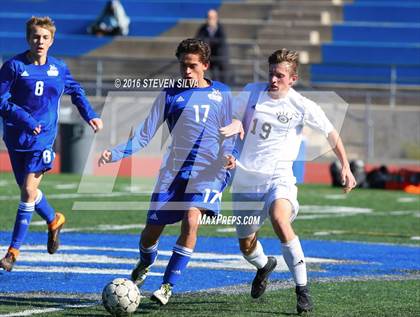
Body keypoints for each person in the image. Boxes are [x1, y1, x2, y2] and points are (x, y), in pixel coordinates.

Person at [98, 38, 235, 305]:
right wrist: (115, 153)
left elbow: (230, 132)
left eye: (192, 66)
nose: (186, 71)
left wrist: (230, 155)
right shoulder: (170, 94)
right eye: (183, 65)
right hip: (174, 172)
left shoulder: (223, 93)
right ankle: (145, 262)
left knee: (192, 219)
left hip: (209, 172)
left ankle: (167, 286)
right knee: (151, 232)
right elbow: (144, 135)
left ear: (205, 65)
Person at [220, 48, 357, 314]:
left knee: (280, 218)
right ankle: (264, 265)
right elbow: (233, 118)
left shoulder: (302, 106)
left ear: (292, 79)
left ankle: (302, 290)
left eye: (280, 76)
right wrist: (233, 135)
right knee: (246, 247)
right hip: (247, 179)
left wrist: (346, 166)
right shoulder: (251, 92)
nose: (274, 79)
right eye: (271, 73)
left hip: (278, 176)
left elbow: (331, 133)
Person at [0, 16, 103, 271]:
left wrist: (90, 115)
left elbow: (76, 91)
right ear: (28, 38)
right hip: (16, 137)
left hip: (43, 139)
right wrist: (23, 119)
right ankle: (54, 219)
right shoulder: (13, 67)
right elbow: (0, 100)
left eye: (45, 37)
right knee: (30, 193)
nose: (40, 41)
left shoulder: (58, 68)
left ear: (52, 40)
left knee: (27, 191)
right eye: (36, 36)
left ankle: (13, 252)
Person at [196, 9, 229, 83]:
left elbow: (221, 41)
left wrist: (210, 42)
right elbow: (198, 39)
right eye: (209, 18)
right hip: (209, 56)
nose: (210, 20)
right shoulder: (203, 29)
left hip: (220, 56)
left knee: (222, 76)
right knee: (212, 75)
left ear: (216, 18)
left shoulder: (220, 28)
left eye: (212, 18)